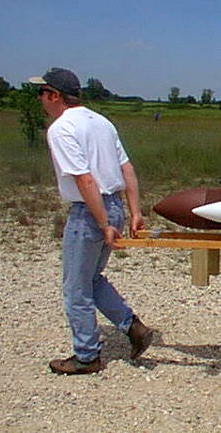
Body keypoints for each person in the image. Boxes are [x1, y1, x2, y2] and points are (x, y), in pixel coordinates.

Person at [29, 67, 153, 375]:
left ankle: (86, 355)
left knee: (75, 288)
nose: (40, 99)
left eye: (42, 93)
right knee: (91, 278)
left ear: (56, 95)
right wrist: (134, 212)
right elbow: (127, 170)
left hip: (90, 212)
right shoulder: (103, 123)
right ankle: (133, 328)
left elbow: (85, 180)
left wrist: (100, 223)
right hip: (113, 208)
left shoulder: (60, 129)